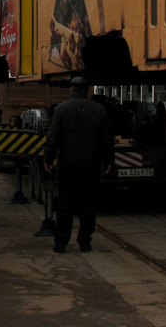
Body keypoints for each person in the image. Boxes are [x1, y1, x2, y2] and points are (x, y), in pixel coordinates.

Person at [44, 76, 114, 253]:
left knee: (65, 204)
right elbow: (106, 139)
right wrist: (108, 161)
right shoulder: (99, 110)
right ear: (88, 90)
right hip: (91, 166)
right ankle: (85, 241)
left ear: (71, 90)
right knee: (88, 205)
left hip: (68, 166)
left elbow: (53, 137)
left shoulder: (61, 110)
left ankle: (61, 242)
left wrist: (48, 158)